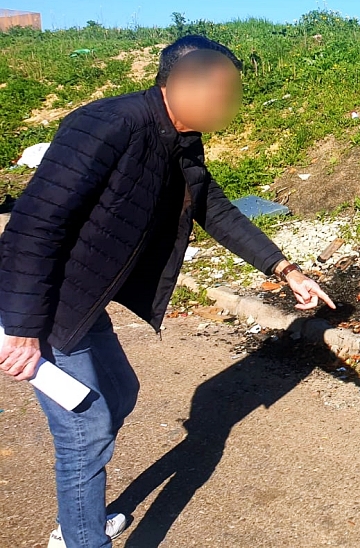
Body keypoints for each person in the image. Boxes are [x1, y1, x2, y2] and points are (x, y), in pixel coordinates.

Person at [0, 34, 335, 548]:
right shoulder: (108, 125)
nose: (229, 105)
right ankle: (82, 538)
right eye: (222, 91)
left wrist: (284, 268)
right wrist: (22, 330)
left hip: (81, 299)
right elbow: (33, 226)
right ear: (182, 83)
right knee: (84, 431)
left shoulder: (181, 138)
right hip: (42, 303)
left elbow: (213, 208)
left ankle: (78, 520)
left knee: (120, 393)